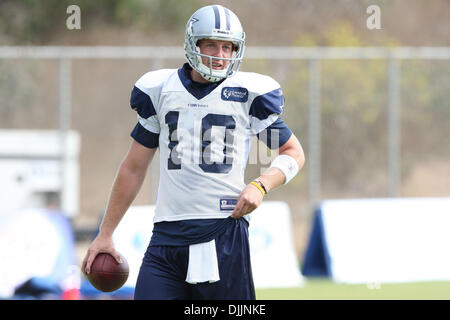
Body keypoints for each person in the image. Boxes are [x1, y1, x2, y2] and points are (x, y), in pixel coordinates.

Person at [82, 4, 305, 300]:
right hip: (165, 237)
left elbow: (293, 152)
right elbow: (133, 167)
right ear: (192, 44)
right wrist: (106, 233)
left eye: (228, 47)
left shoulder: (248, 95)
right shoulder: (161, 90)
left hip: (221, 233)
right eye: (211, 44)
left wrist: (261, 185)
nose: (221, 54)